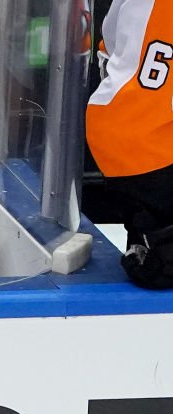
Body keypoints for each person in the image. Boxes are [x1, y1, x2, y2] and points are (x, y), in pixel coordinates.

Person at [86, 0, 173, 288]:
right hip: (156, 148)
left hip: (107, 126)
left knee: (149, 207)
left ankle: (148, 240)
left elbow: (106, 49)